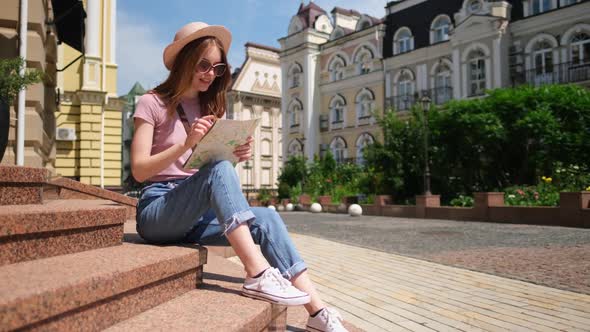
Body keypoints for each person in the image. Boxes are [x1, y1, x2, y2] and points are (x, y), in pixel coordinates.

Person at [131, 22, 348, 332]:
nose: (210, 73)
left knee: (268, 219)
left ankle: (317, 313)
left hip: (193, 216)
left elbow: (205, 170)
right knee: (217, 171)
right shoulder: (151, 102)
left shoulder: (208, 107)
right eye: (203, 64)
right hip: (158, 211)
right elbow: (139, 170)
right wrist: (186, 143)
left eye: (217, 68)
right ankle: (258, 275)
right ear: (184, 59)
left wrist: (233, 154)